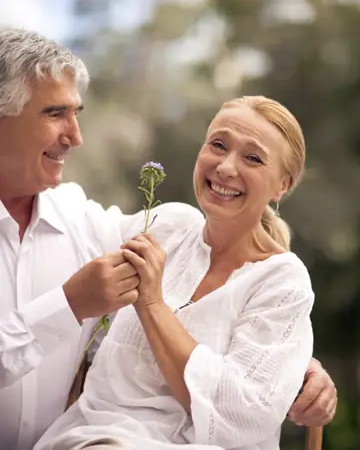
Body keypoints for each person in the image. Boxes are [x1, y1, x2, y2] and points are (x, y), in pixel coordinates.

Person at [0, 28, 335, 450]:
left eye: (252, 157)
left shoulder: (103, 224)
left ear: (282, 185)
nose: (76, 136)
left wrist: (290, 365)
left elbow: (250, 390)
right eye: (54, 114)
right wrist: (69, 305)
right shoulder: (163, 230)